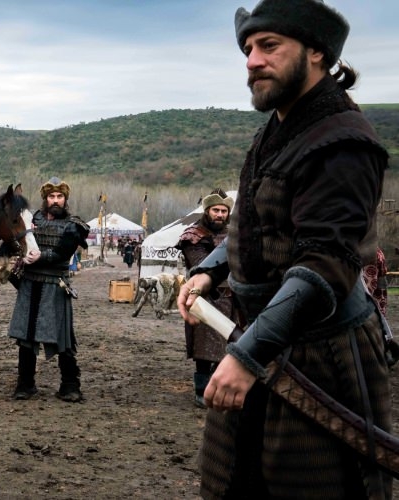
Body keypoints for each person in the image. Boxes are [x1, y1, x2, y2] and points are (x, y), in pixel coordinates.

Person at [177, 1, 393, 497]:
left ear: (317, 51)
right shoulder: (276, 131)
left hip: (323, 353)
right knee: (235, 483)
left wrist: (246, 356)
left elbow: (323, 266)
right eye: (248, 49)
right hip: (264, 339)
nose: (252, 60)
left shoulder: (343, 141)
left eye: (269, 46)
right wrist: (210, 271)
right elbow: (255, 225)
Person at [8, 177, 90, 402]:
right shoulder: (31, 219)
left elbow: (63, 253)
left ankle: (70, 386)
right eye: (51, 196)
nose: (55, 200)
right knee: (26, 337)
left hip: (55, 285)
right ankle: (25, 384)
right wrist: (19, 254)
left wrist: (40, 256)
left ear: (65, 199)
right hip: (29, 283)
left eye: (59, 196)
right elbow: (16, 239)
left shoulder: (73, 225)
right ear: (45, 199)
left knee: (63, 339)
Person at [175, 189, 234, 408]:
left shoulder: (235, 234)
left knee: (229, 346)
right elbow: (202, 265)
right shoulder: (194, 235)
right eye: (215, 210)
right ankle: (201, 390)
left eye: (224, 211)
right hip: (203, 298)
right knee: (204, 349)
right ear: (207, 211)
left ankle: (219, 388)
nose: (220, 215)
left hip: (233, 299)